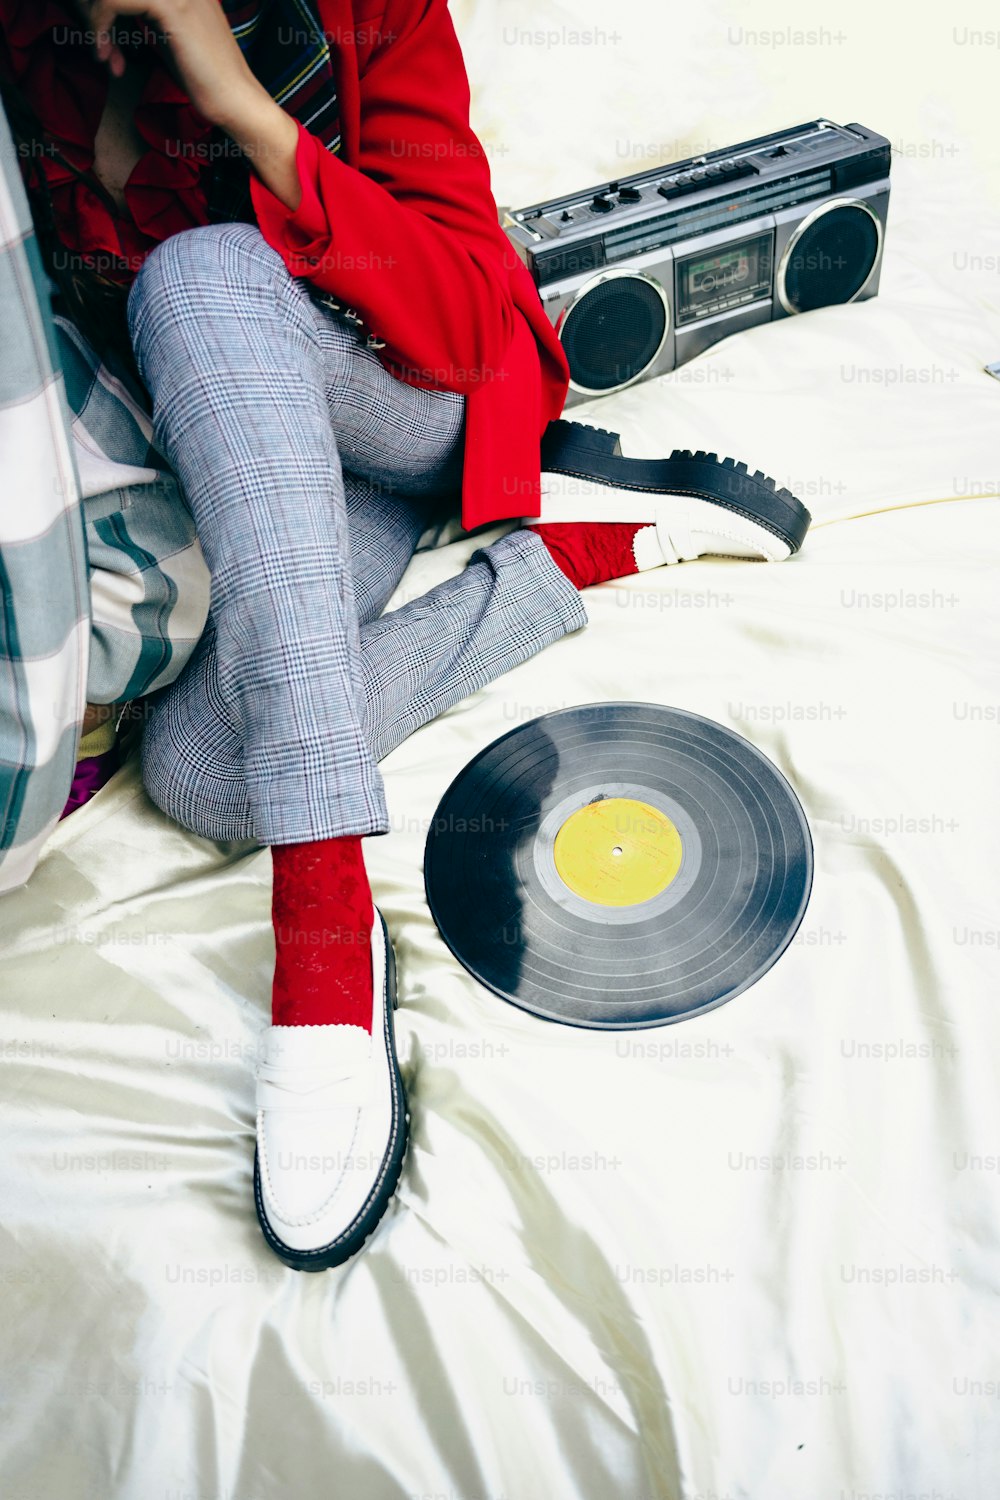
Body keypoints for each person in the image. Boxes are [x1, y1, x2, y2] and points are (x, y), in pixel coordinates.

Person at [0, 0, 809, 1270]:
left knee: (200, 273)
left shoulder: (368, 10)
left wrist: (241, 107)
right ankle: (558, 557)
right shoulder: (28, 44)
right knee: (210, 776)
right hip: (258, 462)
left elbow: (466, 325)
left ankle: (326, 934)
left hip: (416, 400)